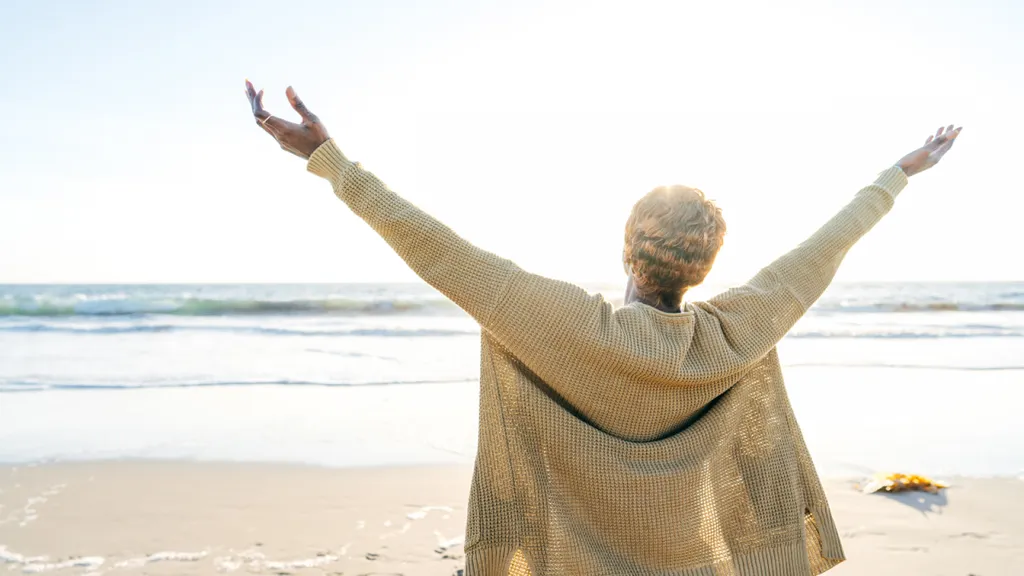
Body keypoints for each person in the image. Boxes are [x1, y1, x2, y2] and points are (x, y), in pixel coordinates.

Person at [244, 80, 961, 576]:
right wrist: (900, 173)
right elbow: (823, 249)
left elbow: (433, 246)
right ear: (707, 266)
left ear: (627, 246)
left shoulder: (561, 325)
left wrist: (327, 160)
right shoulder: (737, 332)